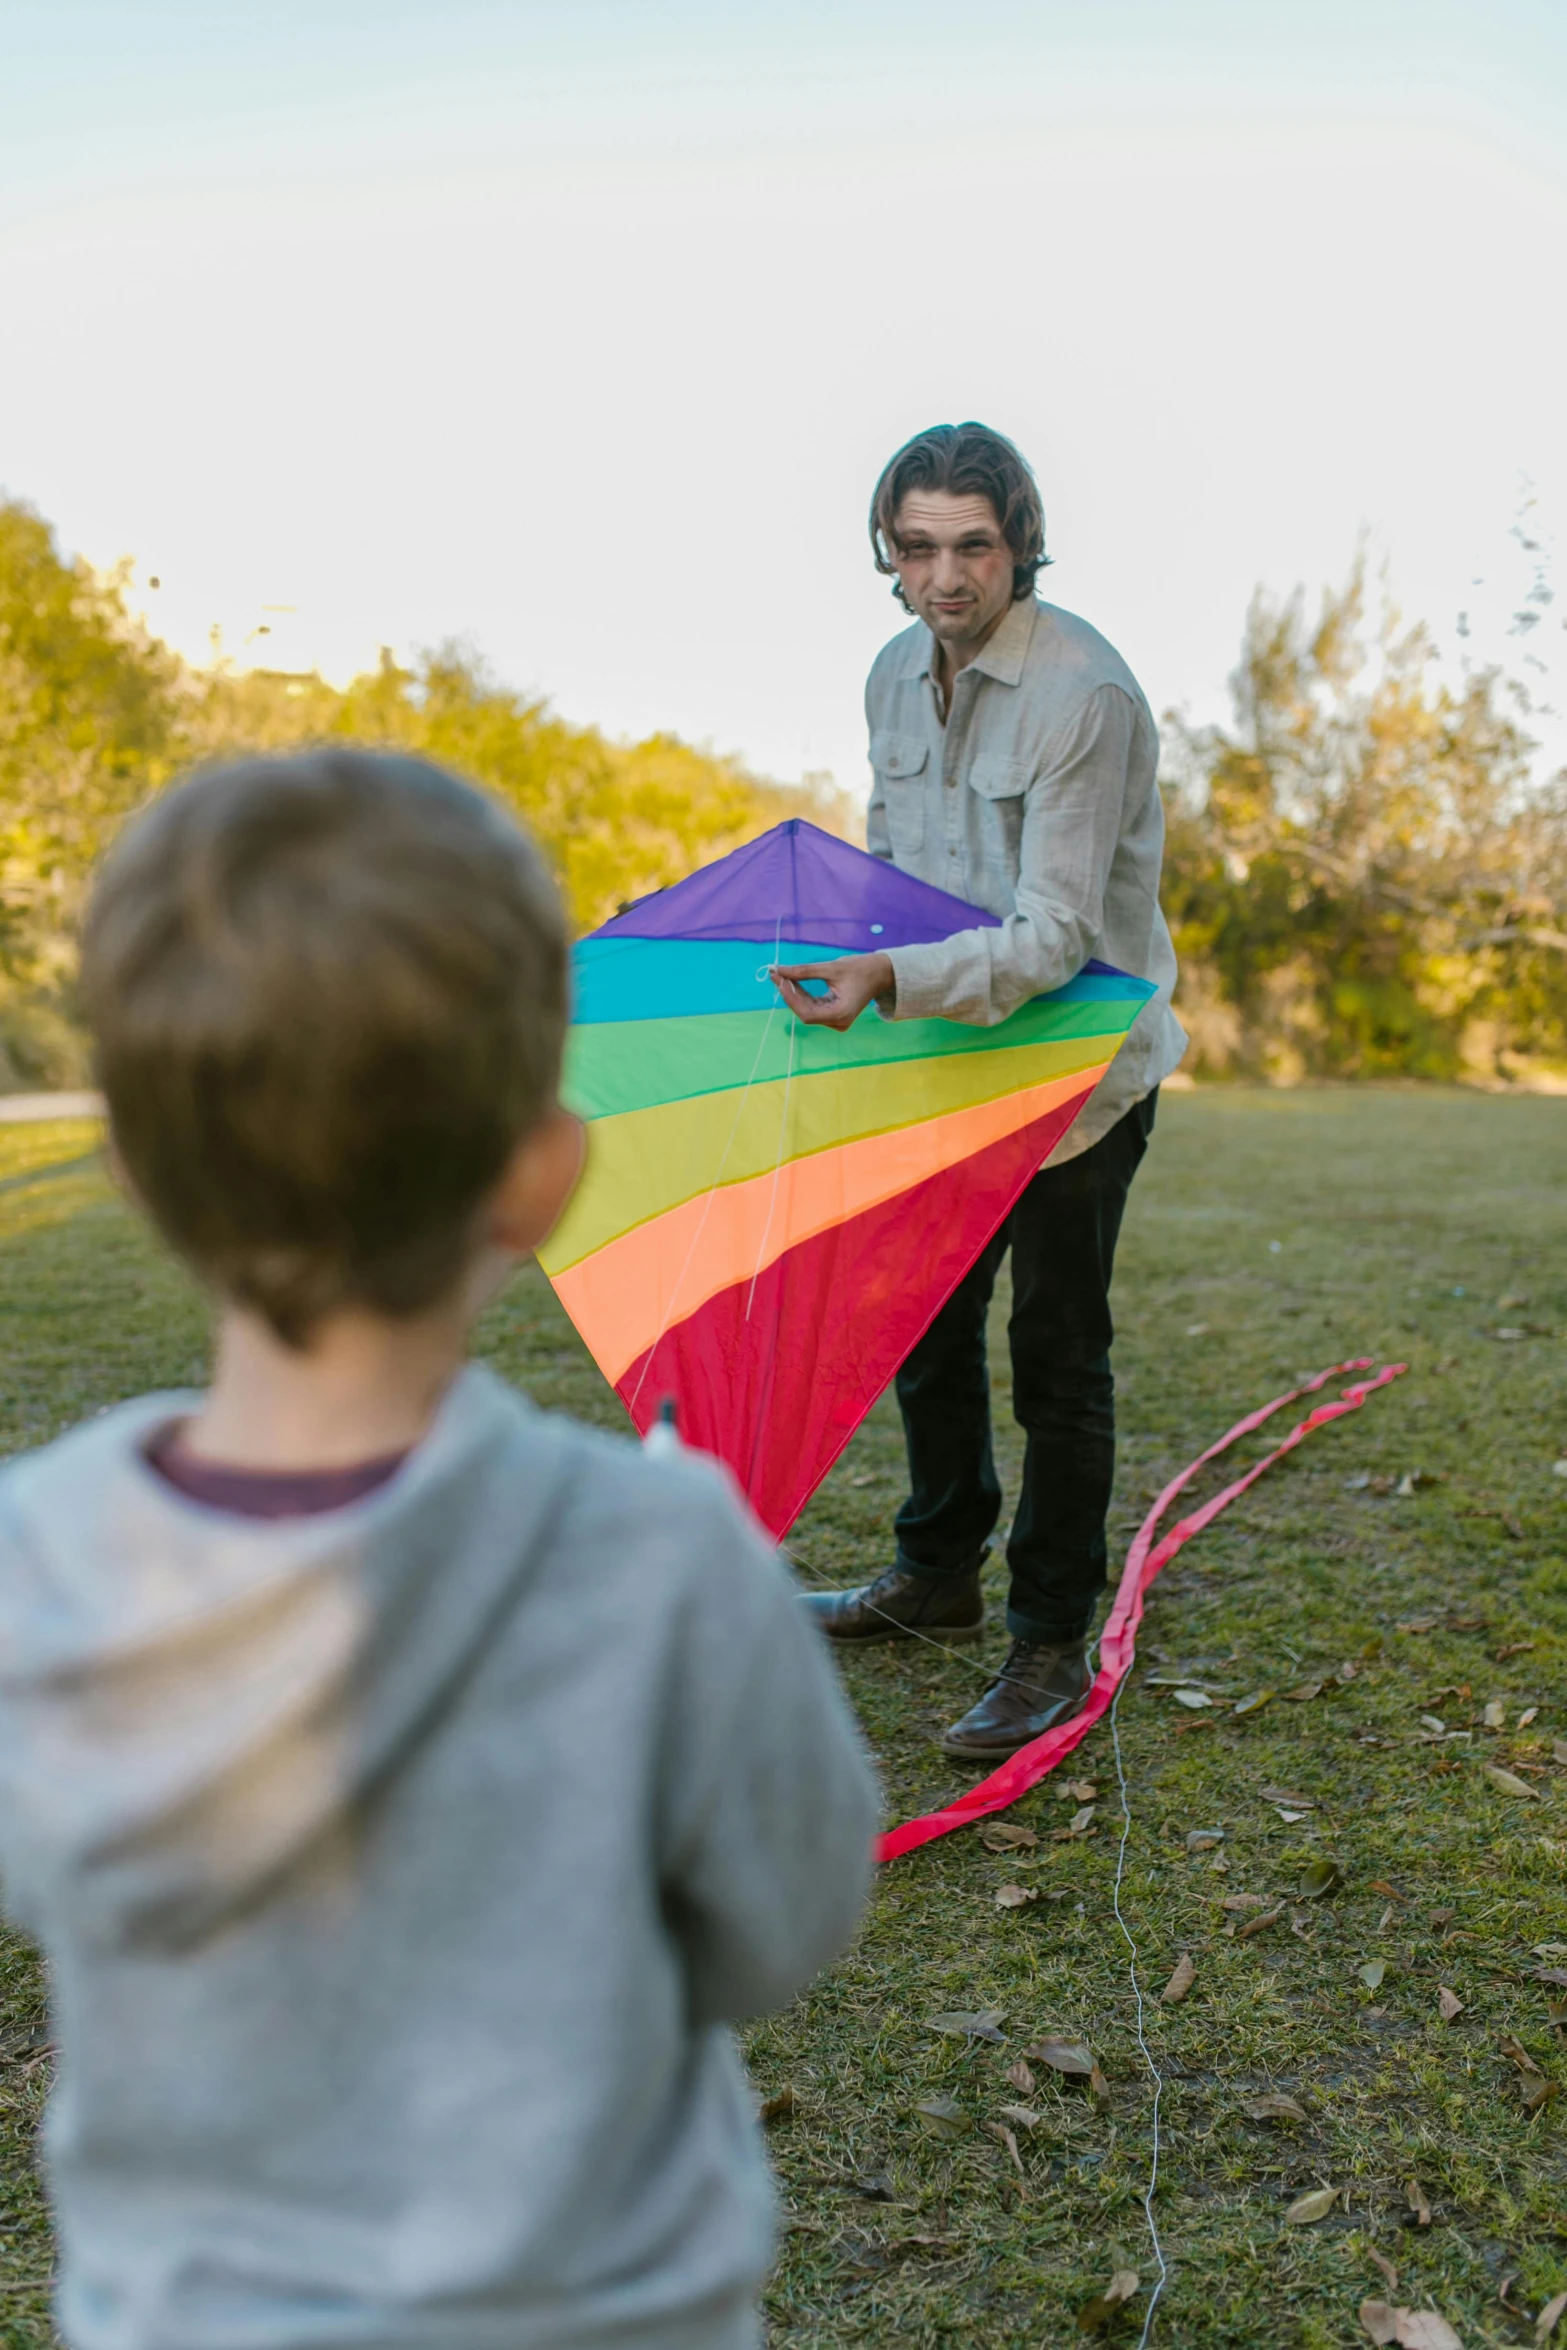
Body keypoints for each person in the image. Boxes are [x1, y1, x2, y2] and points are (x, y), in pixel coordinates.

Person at [0, 751, 876, 2350]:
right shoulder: (671, 1556)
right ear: (540, 1175)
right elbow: (787, 1918)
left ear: (130, 1169)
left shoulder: (34, 1563)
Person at [776, 421, 1185, 1763]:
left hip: (1077, 1076)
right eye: (914, 547)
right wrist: (849, 955)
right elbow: (897, 855)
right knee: (922, 1325)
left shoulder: (1085, 694)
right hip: (944, 1057)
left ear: (1018, 545)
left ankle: (1046, 1640)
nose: (941, 577)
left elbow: (1053, 935)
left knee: (1055, 1362)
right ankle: (935, 1571)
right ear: (886, 552)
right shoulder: (893, 673)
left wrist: (886, 975)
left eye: (970, 546)